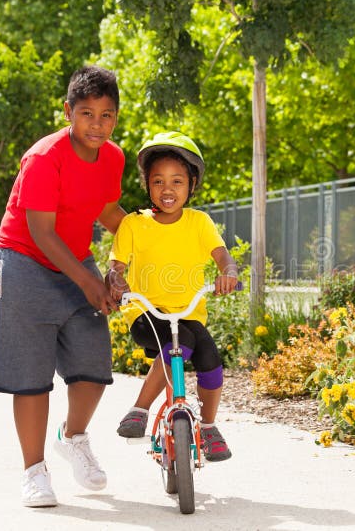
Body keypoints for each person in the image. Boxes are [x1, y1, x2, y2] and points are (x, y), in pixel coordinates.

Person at [0, 65, 126, 508]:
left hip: (74, 259)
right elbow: (42, 232)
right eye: (87, 113)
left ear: (116, 118)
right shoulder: (45, 158)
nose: (97, 124)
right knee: (31, 376)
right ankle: (34, 472)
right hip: (25, 261)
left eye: (107, 115)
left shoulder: (114, 158)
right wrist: (89, 281)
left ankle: (73, 436)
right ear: (69, 112)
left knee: (93, 361)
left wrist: (152, 243)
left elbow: (109, 213)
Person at [105, 131, 239, 462]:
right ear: (148, 185)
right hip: (145, 312)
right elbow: (116, 266)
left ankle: (207, 427)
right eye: (158, 181)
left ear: (191, 185)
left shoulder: (199, 222)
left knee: (209, 358)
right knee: (181, 342)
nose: (168, 189)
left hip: (189, 313)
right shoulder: (134, 224)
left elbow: (223, 257)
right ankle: (140, 409)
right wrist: (116, 280)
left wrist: (229, 273)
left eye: (177, 181)